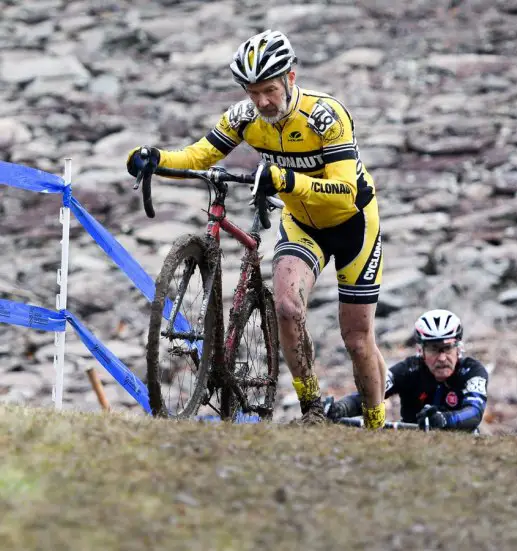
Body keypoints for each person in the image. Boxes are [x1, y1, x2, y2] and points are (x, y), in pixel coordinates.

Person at [126, 30, 388, 428]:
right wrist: (155, 158)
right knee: (285, 307)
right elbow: (199, 156)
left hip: (353, 225)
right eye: (253, 92)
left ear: (291, 79)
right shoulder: (245, 118)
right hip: (302, 224)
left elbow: (345, 193)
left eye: (269, 90)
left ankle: (376, 422)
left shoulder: (326, 116)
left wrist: (285, 180)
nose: (262, 102)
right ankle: (312, 409)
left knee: (356, 338)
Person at [326, 309, 489, 432]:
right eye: (433, 349)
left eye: (447, 349)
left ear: (458, 349)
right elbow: (372, 393)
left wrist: (445, 420)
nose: (441, 358)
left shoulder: (472, 371)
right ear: (421, 351)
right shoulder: (409, 369)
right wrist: (343, 407)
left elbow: (474, 412)